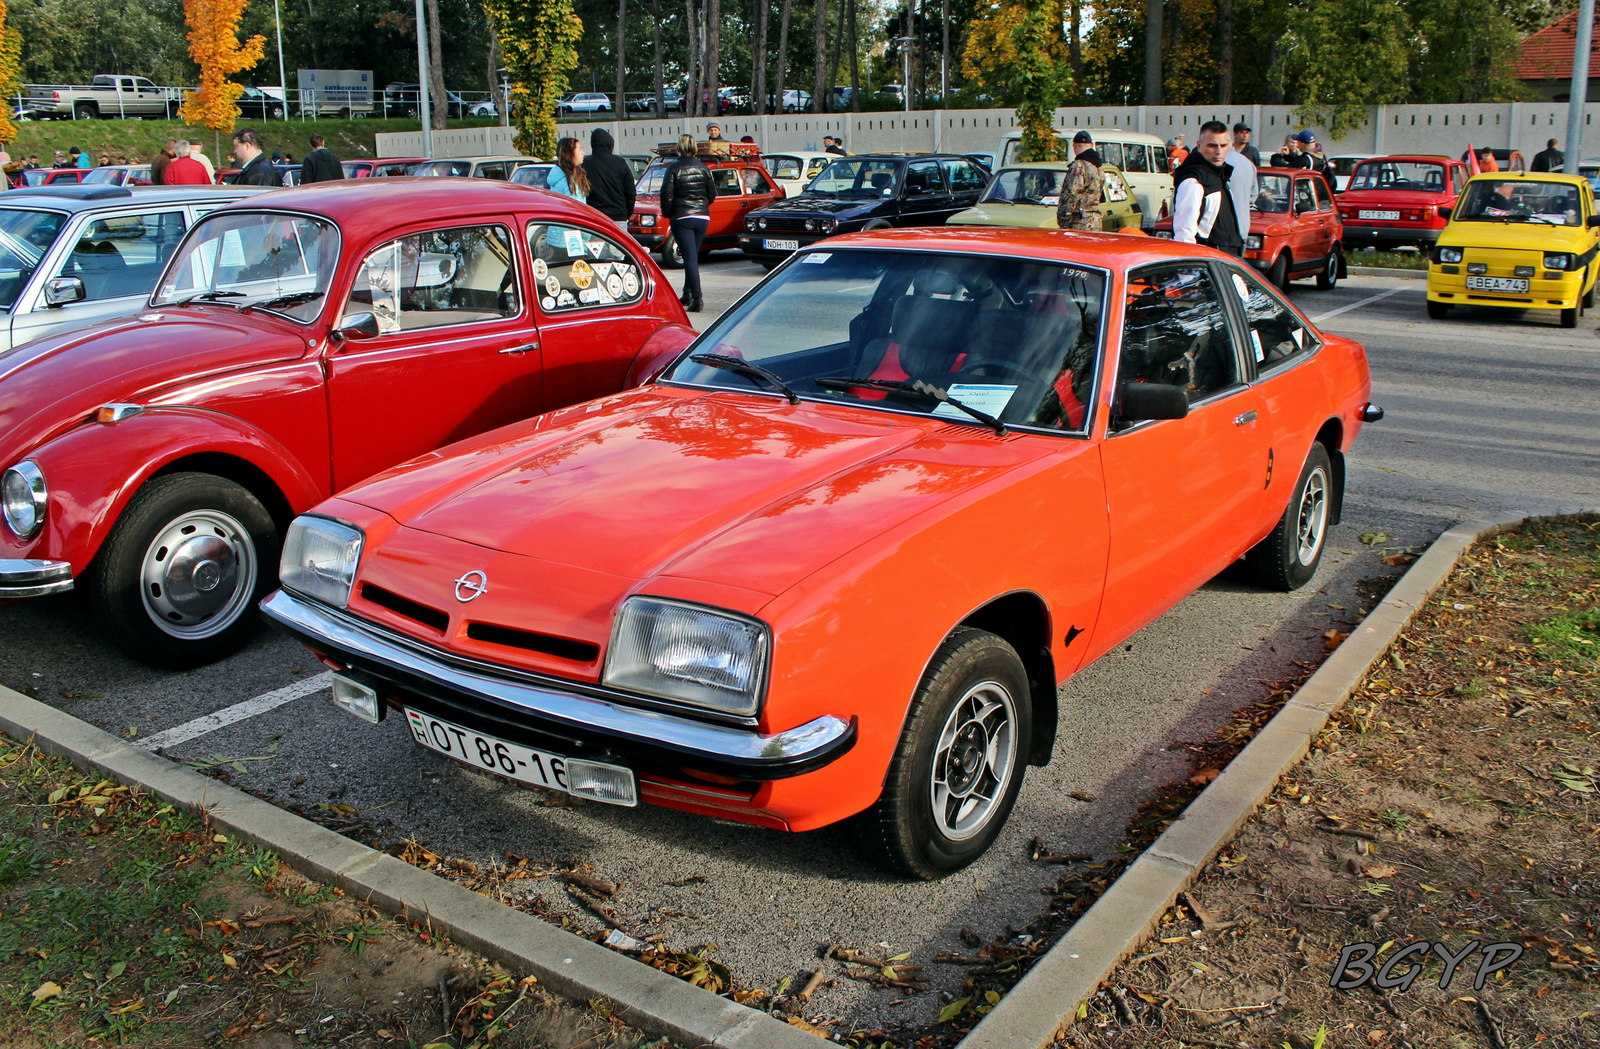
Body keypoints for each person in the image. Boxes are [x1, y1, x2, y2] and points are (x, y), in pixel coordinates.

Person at [1171, 120, 1246, 257]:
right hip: (1209, 261)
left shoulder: (1218, 175)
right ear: (1199, 146)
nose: (1218, 151)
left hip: (1225, 259)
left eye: (1223, 145)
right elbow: (1184, 233)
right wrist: (1189, 273)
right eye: (1212, 146)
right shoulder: (1193, 181)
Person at [658, 133, 713, 312]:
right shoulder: (704, 167)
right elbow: (711, 194)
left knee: (689, 257)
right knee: (692, 255)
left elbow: (666, 195)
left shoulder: (674, 168)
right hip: (702, 216)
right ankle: (687, 292)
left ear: (678, 148)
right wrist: (702, 205)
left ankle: (697, 298)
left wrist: (669, 213)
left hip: (682, 216)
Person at [582, 127, 636, 230]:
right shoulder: (620, 163)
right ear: (610, 144)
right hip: (618, 216)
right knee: (617, 245)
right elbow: (630, 191)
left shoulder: (585, 164)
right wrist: (626, 213)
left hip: (594, 216)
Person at [1056, 130, 1105, 232]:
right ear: (1091, 145)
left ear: (1074, 146)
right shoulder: (1099, 167)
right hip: (1095, 221)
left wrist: (1063, 219)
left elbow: (1071, 194)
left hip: (1078, 223)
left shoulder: (1078, 166)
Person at [547, 136, 590, 202]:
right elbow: (575, 209)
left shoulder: (571, 175)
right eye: (580, 149)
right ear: (570, 153)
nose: (583, 152)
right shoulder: (565, 181)